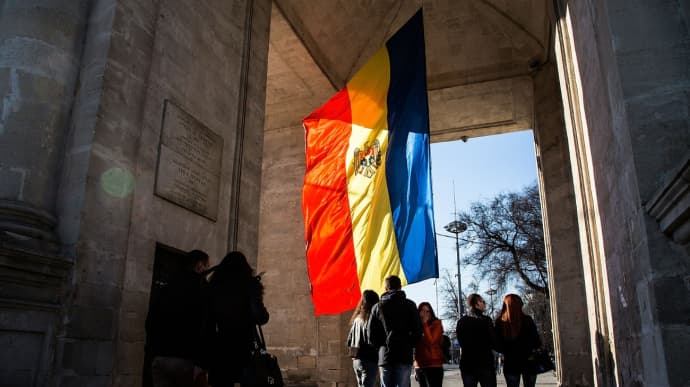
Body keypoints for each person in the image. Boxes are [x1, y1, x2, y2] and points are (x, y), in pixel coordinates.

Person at [145, 249, 210, 387]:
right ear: (199, 265)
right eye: (206, 266)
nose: (207, 271)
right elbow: (205, 325)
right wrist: (202, 362)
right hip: (186, 360)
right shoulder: (201, 288)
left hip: (160, 357)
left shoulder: (167, 285)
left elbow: (150, 322)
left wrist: (153, 353)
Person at [205, 251, 269, 387]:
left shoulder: (214, 286)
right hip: (245, 347)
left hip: (221, 347)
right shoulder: (249, 285)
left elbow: (208, 320)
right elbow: (261, 317)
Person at [368, 275, 422, 387]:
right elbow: (417, 331)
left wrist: (382, 346)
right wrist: (409, 344)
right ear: (400, 287)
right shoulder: (410, 305)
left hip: (385, 356)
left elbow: (371, 334)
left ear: (386, 288)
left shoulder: (377, 307)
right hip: (404, 354)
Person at [494, 294, 541, 387]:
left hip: (511, 363)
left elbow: (496, 344)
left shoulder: (500, 322)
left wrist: (506, 351)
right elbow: (537, 341)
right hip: (529, 361)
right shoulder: (527, 320)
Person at [456, 293, 496, 387]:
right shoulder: (486, 320)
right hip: (485, 363)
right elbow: (493, 340)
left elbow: (461, 342)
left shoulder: (461, 322)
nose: (484, 304)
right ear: (477, 304)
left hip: (468, 364)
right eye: (482, 301)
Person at [347, 290, 380, 387]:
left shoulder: (357, 319)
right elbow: (372, 340)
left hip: (357, 359)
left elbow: (349, 340)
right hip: (369, 359)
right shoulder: (371, 318)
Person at [413, 302, 444, 387]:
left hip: (433, 364)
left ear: (431, 313)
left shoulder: (436, 324)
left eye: (428, 311)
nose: (425, 314)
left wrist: (425, 324)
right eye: (422, 311)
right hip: (419, 365)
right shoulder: (416, 326)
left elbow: (431, 342)